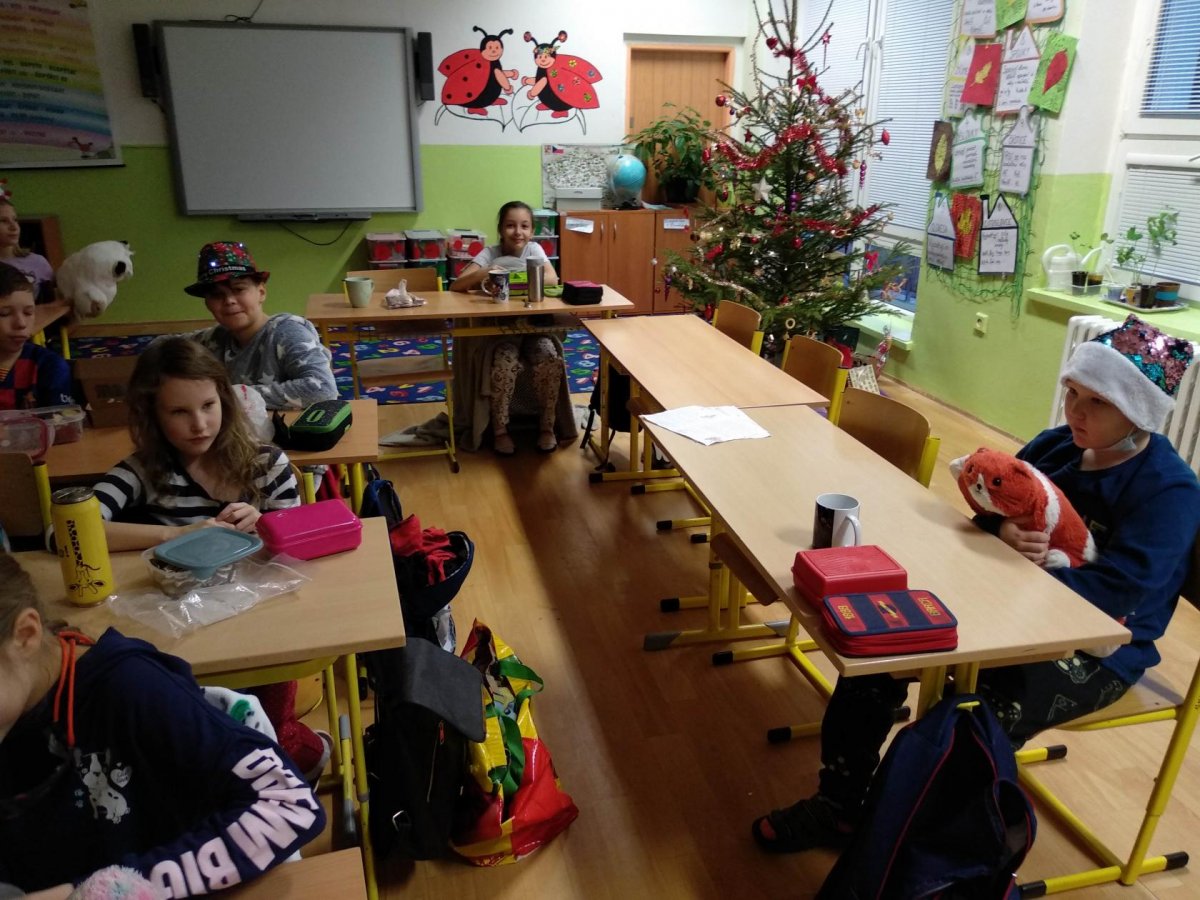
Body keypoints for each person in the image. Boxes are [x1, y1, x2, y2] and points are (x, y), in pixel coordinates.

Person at [753, 314, 1200, 854]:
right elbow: (986, 509)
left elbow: (1119, 594)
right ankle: (840, 807)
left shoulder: (1169, 491)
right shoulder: (1056, 446)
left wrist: (1029, 570)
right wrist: (1002, 531)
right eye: (1072, 393)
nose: (1075, 412)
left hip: (1099, 651)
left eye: (1098, 402)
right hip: (1007, 602)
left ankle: (902, 838)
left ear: (1139, 412)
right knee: (880, 647)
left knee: (972, 712)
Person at [0, 552, 326, 895]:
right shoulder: (16, 702)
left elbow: (288, 803)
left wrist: (112, 890)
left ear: (26, 635)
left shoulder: (132, 688)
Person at [89, 337, 330, 785]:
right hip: (183, 632)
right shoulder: (143, 471)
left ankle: (299, 754)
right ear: (152, 416)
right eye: (179, 412)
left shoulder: (266, 464)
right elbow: (68, 531)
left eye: (208, 406)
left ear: (225, 400)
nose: (199, 424)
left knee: (262, 731)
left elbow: (297, 552)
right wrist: (176, 535)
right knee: (197, 736)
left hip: (265, 625)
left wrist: (265, 525)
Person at [449, 201, 569, 455]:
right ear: (501, 230)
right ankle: (500, 430)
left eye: (524, 226)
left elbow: (552, 278)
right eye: (511, 225)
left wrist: (517, 273)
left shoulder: (534, 249)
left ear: (532, 231)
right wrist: (487, 271)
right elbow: (457, 285)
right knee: (505, 361)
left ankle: (547, 426)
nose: (518, 232)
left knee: (549, 357)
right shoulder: (490, 253)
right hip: (499, 332)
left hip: (533, 329)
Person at [181, 241, 337, 410]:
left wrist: (225, 397)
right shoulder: (215, 338)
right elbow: (165, 344)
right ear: (207, 304)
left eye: (239, 289)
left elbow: (323, 389)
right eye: (217, 295)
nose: (229, 301)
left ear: (261, 292)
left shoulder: (287, 332)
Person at [0, 262, 73, 411]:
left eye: (28, 313)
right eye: (4, 314)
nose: (21, 323)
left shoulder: (50, 366)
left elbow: (62, 423)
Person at [0, 198, 54, 305]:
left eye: (15, 220)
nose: (14, 227)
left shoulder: (37, 261)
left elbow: (55, 300)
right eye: (3, 221)